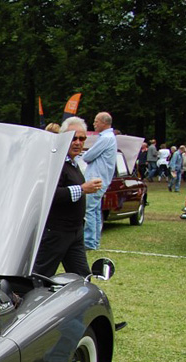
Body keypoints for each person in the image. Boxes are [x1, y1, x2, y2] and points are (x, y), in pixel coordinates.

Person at [33, 117, 101, 278]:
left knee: (83, 277)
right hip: (56, 231)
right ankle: (21, 300)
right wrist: (82, 189)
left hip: (75, 231)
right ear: (64, 139)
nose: (77, 142)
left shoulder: (74, 164)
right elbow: (51, 194)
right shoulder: (55, 163)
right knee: (40, 276)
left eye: (81, 138)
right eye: (73, 138)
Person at [80, 111, 116, 251]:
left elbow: (88, 156)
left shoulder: (105, 138)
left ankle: (89, 242)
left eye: (96, 121)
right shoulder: (110, 137)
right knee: (94, 210)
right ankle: (94, 241)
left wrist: (85, 154)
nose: (94, 124)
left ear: (104, 123)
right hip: (101, 179)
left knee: (89, 210)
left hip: (95, 179)